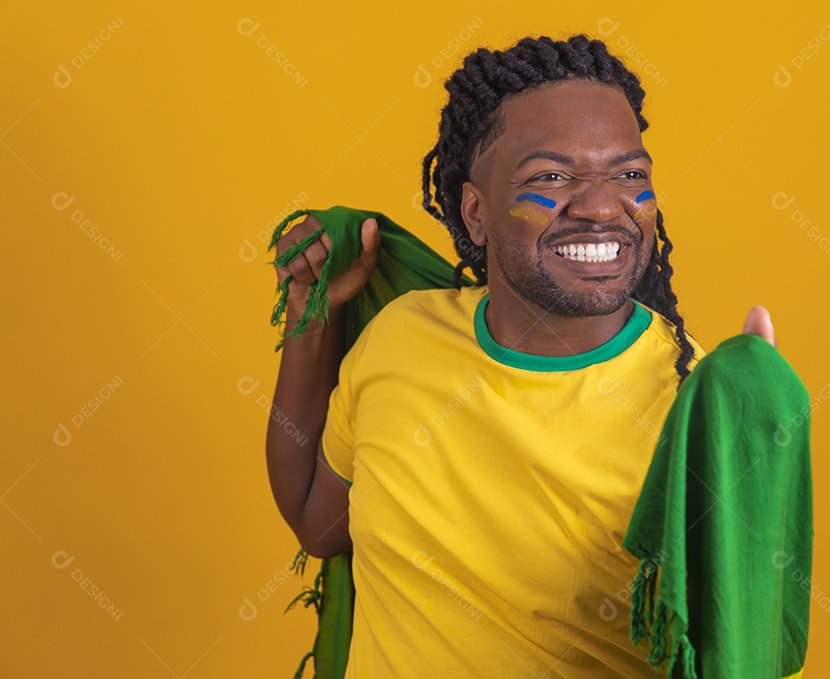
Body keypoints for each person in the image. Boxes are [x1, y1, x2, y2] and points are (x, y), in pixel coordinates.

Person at [265, 34, 778, 677]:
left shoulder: (692, 405)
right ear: (475, 213)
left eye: (629, 176)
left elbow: (741, 647)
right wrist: (313, 318)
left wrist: (762, 456)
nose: (600, 207)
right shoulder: (400, 339)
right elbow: (320, 525)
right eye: (552, 177)